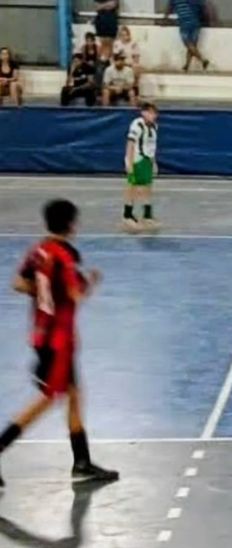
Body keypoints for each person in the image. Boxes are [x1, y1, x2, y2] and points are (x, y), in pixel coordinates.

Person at [0, 199, 119, 488]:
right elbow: (75, 294)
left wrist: (43, 296)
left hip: (42, 333)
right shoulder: (64, 257)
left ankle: (82, 462)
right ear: (70, 225)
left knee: (75, 394)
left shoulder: (39, 250)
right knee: (47, 398)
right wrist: (89, 281)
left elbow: (18, 283)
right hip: (58, 340)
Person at [122, 102, 160, 232]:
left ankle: (147, 215)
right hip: (137, 160)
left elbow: (152, 146)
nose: (153, 115)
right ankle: (127, 215)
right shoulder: (137, 125)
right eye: (150, 112)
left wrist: (154, 162)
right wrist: (129, 163)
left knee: (147, 187)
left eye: (154, 113)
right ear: (143, 113)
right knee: (132, 188)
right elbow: (130, 144)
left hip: (147, 161)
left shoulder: (155, 126)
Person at [167, 0, 210, 72]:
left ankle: (203, 60)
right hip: (196, 23)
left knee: (188, 44)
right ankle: (186, 66)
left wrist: (165, 19)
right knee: (192, 46)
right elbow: (202, 8)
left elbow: (169, 9)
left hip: (184, 23)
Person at [113, 26, 142, 94]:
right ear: (119, 35)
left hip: (130, 63)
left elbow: (136, 58)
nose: (124, 37)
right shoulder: (117, 43)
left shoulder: (133, 44)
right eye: (122, 35)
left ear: (129, 35)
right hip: (120, 63)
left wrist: (132, 64)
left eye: (126, 35)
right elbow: (115, 57)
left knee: (137, 67)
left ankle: (135, 89)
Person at [93, 0, 119, 65]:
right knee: (102, 44)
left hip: (111, 20)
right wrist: (108, 4)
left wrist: (102, 5)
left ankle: (111, 63)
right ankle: (101, 64)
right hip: (101, 21)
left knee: (110, 44)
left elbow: (114, 4)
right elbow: (97, 7)